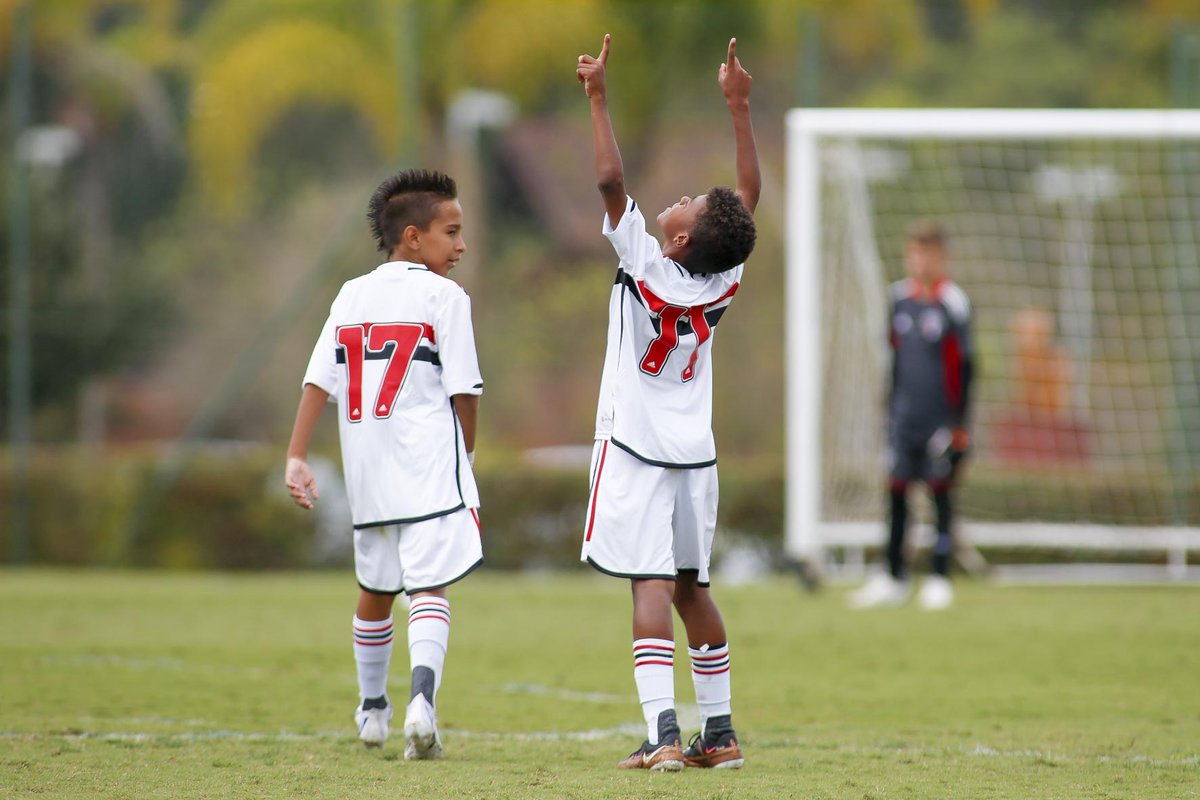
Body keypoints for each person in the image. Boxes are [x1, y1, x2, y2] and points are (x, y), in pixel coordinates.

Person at [575, 34, 759, 771]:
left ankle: (663, 734)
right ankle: (719, 732)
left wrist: (596, 98)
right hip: (695, 457)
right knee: (693, 589)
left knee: (648, 587)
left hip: (637, 450)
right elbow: (744, 205)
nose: (678, 197)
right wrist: (739, 109)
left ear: (677, 236)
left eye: (686, 203)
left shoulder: (646, 264)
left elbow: (610, 181)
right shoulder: (723, 279)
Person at [283, 169, 484, 759]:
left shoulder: (351, 293)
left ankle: (373, 711)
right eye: (452, 232)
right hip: (426, 461)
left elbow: (320, 378)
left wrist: (296, 454)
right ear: (414, 238)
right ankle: (422, 702)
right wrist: (465, 455)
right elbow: (465, 389)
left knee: (374, 587)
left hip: (367, 466)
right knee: (429, 586)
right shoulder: (445, 296)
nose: (462, 245)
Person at [851, 219, 974, 611]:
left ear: (941, 257)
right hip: (903, 418)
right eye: (914, 252)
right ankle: (893, 577)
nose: (919, 261)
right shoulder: (897, 299)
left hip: (940, 420)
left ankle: (939, 577)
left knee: (940, 496)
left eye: (927, 253)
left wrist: (960, 425)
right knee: (897, 493)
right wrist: (888, 410)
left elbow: (965, 367)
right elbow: (895, 360)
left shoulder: (953, 302)